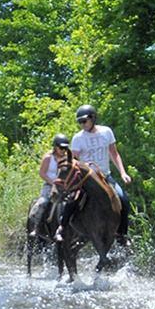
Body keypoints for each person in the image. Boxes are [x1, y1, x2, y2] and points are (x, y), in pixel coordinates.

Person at [53, 105, 131, 245]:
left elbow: (114, 153)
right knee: (73, 200)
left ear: (93, 118)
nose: (82, 125)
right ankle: (62, 228)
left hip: (105, 176)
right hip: (86, 180)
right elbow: (74, 161)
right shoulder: (78, 138)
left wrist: (123, 173)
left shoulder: (106, 132)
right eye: (80, 122)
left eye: (84, 121)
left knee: (124, 199)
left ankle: (122, 234)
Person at [28, 133, 70, 238]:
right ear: (55, 147)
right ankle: (37, 227)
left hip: (65, 187)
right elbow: (42, 173)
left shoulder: (68, 159)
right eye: (61, 148)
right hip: (49, 185)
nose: (63, 150)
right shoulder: (48, 158)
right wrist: (53, 183)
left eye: (65, 148)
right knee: (43, 202)